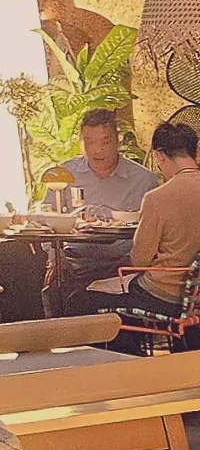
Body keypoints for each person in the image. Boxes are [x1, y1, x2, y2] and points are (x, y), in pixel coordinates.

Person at [66, 122, 200, 322]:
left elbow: (140, 260)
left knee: (78, 300)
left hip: (164, 295)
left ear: (159, 156)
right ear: (195, 154)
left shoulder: (157, 198)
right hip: (195, 299)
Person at [48, 108, 158, 316]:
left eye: (105, 142)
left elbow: (155, 233)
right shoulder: (64, 175)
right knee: (48, 288)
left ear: (117, 141)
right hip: (76, 262)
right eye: (89, 141)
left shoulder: (143, 180)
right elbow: (47, 219)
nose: (97, 150)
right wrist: (54, 256)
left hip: (123, 266)